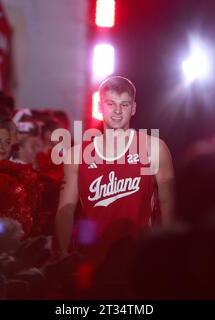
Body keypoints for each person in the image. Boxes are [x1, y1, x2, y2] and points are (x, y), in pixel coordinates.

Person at [54, 76, 175, 263]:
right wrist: (63, 253)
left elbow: (168, 202)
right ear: (100, 106)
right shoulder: (77, 154)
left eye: (124, 105)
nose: (118, 111)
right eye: (111, 103)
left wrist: (166, 249)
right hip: (91, 259)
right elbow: (66, 208)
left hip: (138, 258)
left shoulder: (154, 149)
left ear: (133, 108)